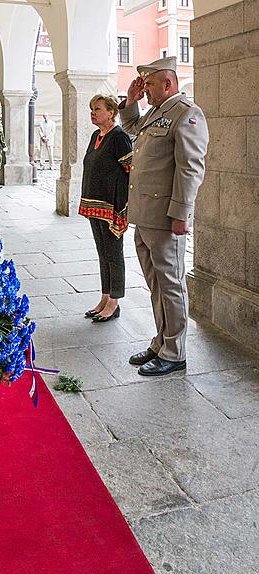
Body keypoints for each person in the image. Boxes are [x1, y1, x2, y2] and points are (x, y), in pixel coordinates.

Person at [119, 57, 208, 376]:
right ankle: (161, 341)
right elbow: (132, 128)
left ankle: (175, 351)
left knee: (171, 283)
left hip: (166, 216)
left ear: (167, 84)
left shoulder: (186, 114)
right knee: (155, 282)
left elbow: (190, 168)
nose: (146, 90)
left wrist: (182, 214)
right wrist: (130, 103)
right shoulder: (156, 112)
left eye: (150, 85)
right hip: (145, 215)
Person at [79, 95, 133, 322]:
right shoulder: (95, 135)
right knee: (103, 255)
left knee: (113, 254)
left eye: (97, 109)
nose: (93, 113)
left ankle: (114, 302)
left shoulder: (119, 137)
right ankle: (105, 297)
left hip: (111, 206)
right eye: (91, 109)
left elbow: (130, 170)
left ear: (111, 112)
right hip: (94, 205)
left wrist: (123, 206)